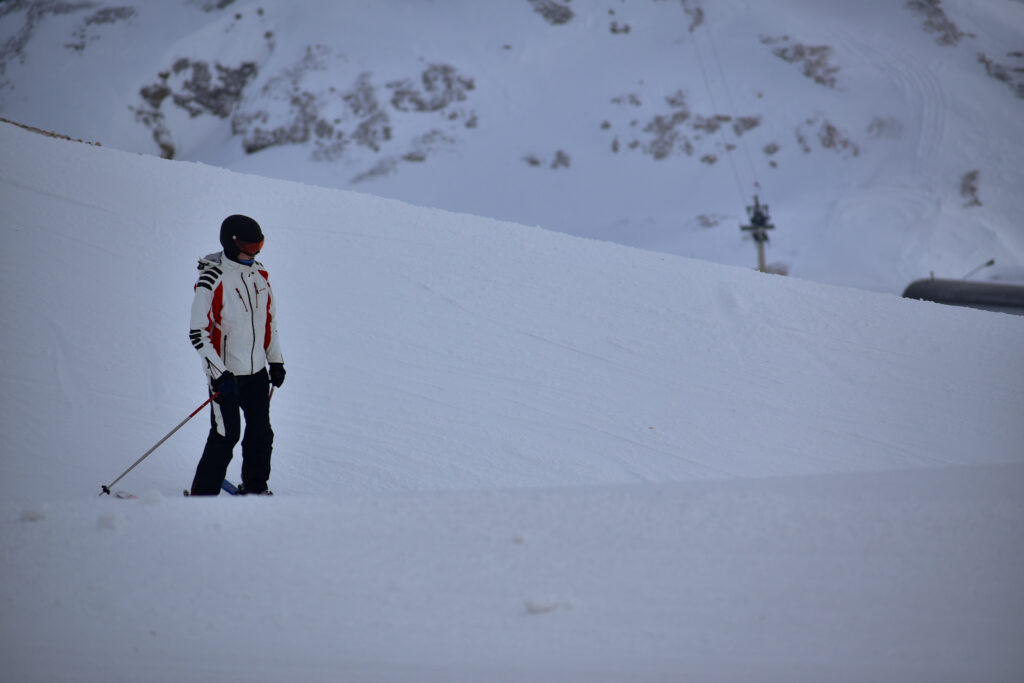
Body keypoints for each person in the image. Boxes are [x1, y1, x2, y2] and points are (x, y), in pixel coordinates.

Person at [188, 214, 285, 495]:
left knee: (261, 434)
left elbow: (269, 322)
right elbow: (198, 334)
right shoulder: (212, 279)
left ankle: (256, 490)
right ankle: (202, 496)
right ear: (231, 243)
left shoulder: (260, 273)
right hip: (227, 376)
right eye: (247, 246)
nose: (253, 253)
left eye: (259, 246)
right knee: (226, 435)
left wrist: (276, 360)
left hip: (257, 373)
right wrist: (219, 374)